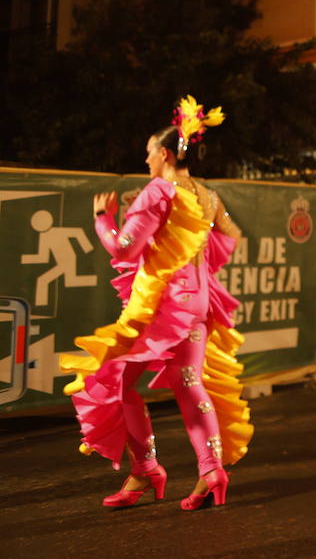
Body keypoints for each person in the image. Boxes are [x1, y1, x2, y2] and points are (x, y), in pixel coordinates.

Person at [62, 97, 252, 510]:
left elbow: (125, 249)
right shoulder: (206, 194)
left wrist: (102, 220)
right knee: (189, 383)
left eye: (149, 152)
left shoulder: (157, 192)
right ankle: (210, 469)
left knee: (112, 381)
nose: (145, 159)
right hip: (197, 304)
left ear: (164, 154)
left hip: (162, 307)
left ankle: (146, 467)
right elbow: (231, 238)